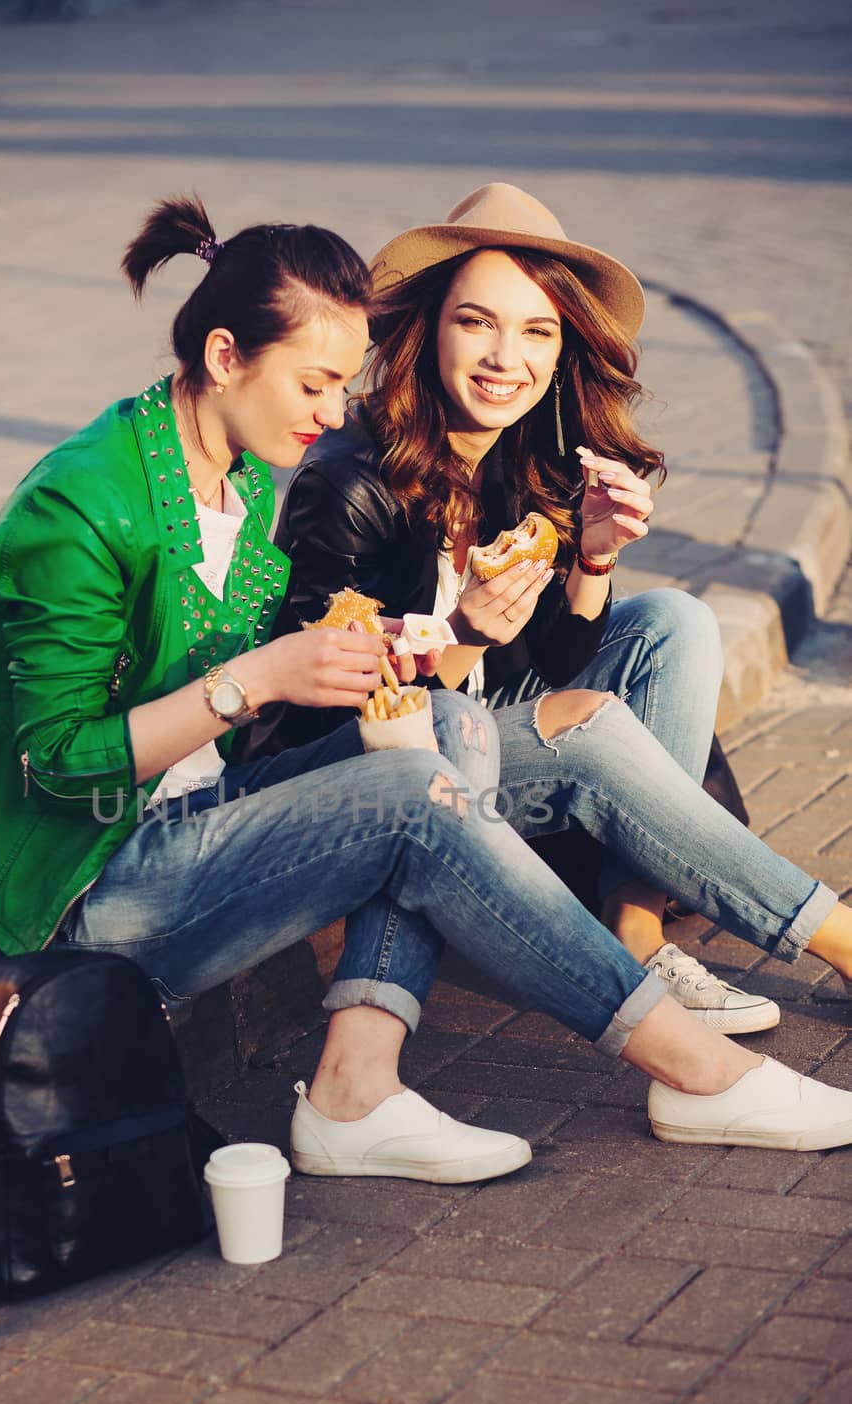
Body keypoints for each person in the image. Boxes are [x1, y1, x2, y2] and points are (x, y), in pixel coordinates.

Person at [0, 193, 852, 1188]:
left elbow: (364, 682)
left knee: (441, 728)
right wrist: (256, 679)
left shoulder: (246, 474)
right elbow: (56, 766)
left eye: (340, 384)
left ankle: (355, 1086)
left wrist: (414, 641)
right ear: (226, 357)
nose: (329, 413)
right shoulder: (82, 501)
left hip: (200, 817)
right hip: (94, 879)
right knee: (414, 788)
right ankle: (696, 1070)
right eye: (312, 384)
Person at [261, 182, 775, 1036]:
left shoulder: (529, 455)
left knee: (676, 619)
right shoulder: (348, 479)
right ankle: (818, 931)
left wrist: (594, 557)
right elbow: (322, 725)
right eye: (477, 323)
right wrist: (460, 637)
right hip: (416, 773)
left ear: (563, 344)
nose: (508, 357)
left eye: (537, 330)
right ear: (428, 328)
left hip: (515, 742)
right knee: (541, 720)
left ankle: (635, 932)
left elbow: (564, 664)